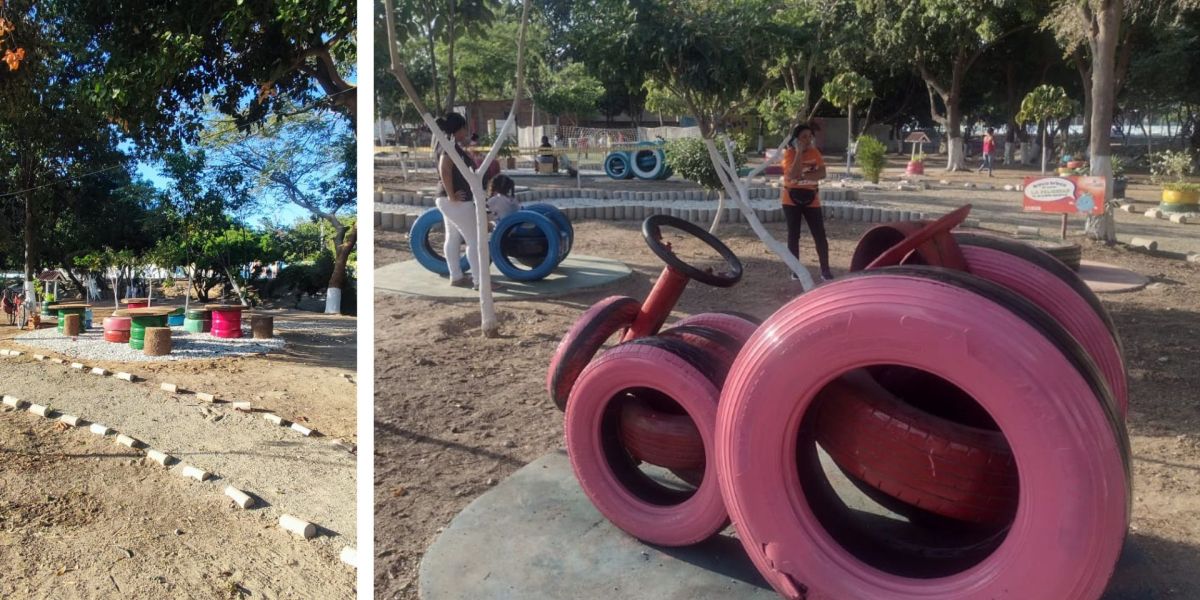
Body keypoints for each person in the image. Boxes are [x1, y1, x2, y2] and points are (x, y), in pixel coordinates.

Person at [434, 112, 496, 290]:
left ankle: (456, 276)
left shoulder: (444, 143)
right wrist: (452, 194)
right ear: (458, 129)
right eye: (464, 129)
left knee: (453, 238)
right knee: (475, 240)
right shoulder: (448, 145)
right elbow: (445, 169)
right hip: (456, 201)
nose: (466, 132)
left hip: (447, 200)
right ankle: (480, 281)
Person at [780, 122, 833, 282]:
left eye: (810, 136)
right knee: (793, 236)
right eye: (804, 137)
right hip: (791, 199)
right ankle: (795, 270)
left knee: (819, 235)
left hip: (812, 198)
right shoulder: (789, 154)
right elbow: (792, 174)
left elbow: (822, 173)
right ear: (796, 139)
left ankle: (825, 270)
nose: (808, 139)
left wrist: (802, 177)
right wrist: (798, 153)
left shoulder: (815, 152)